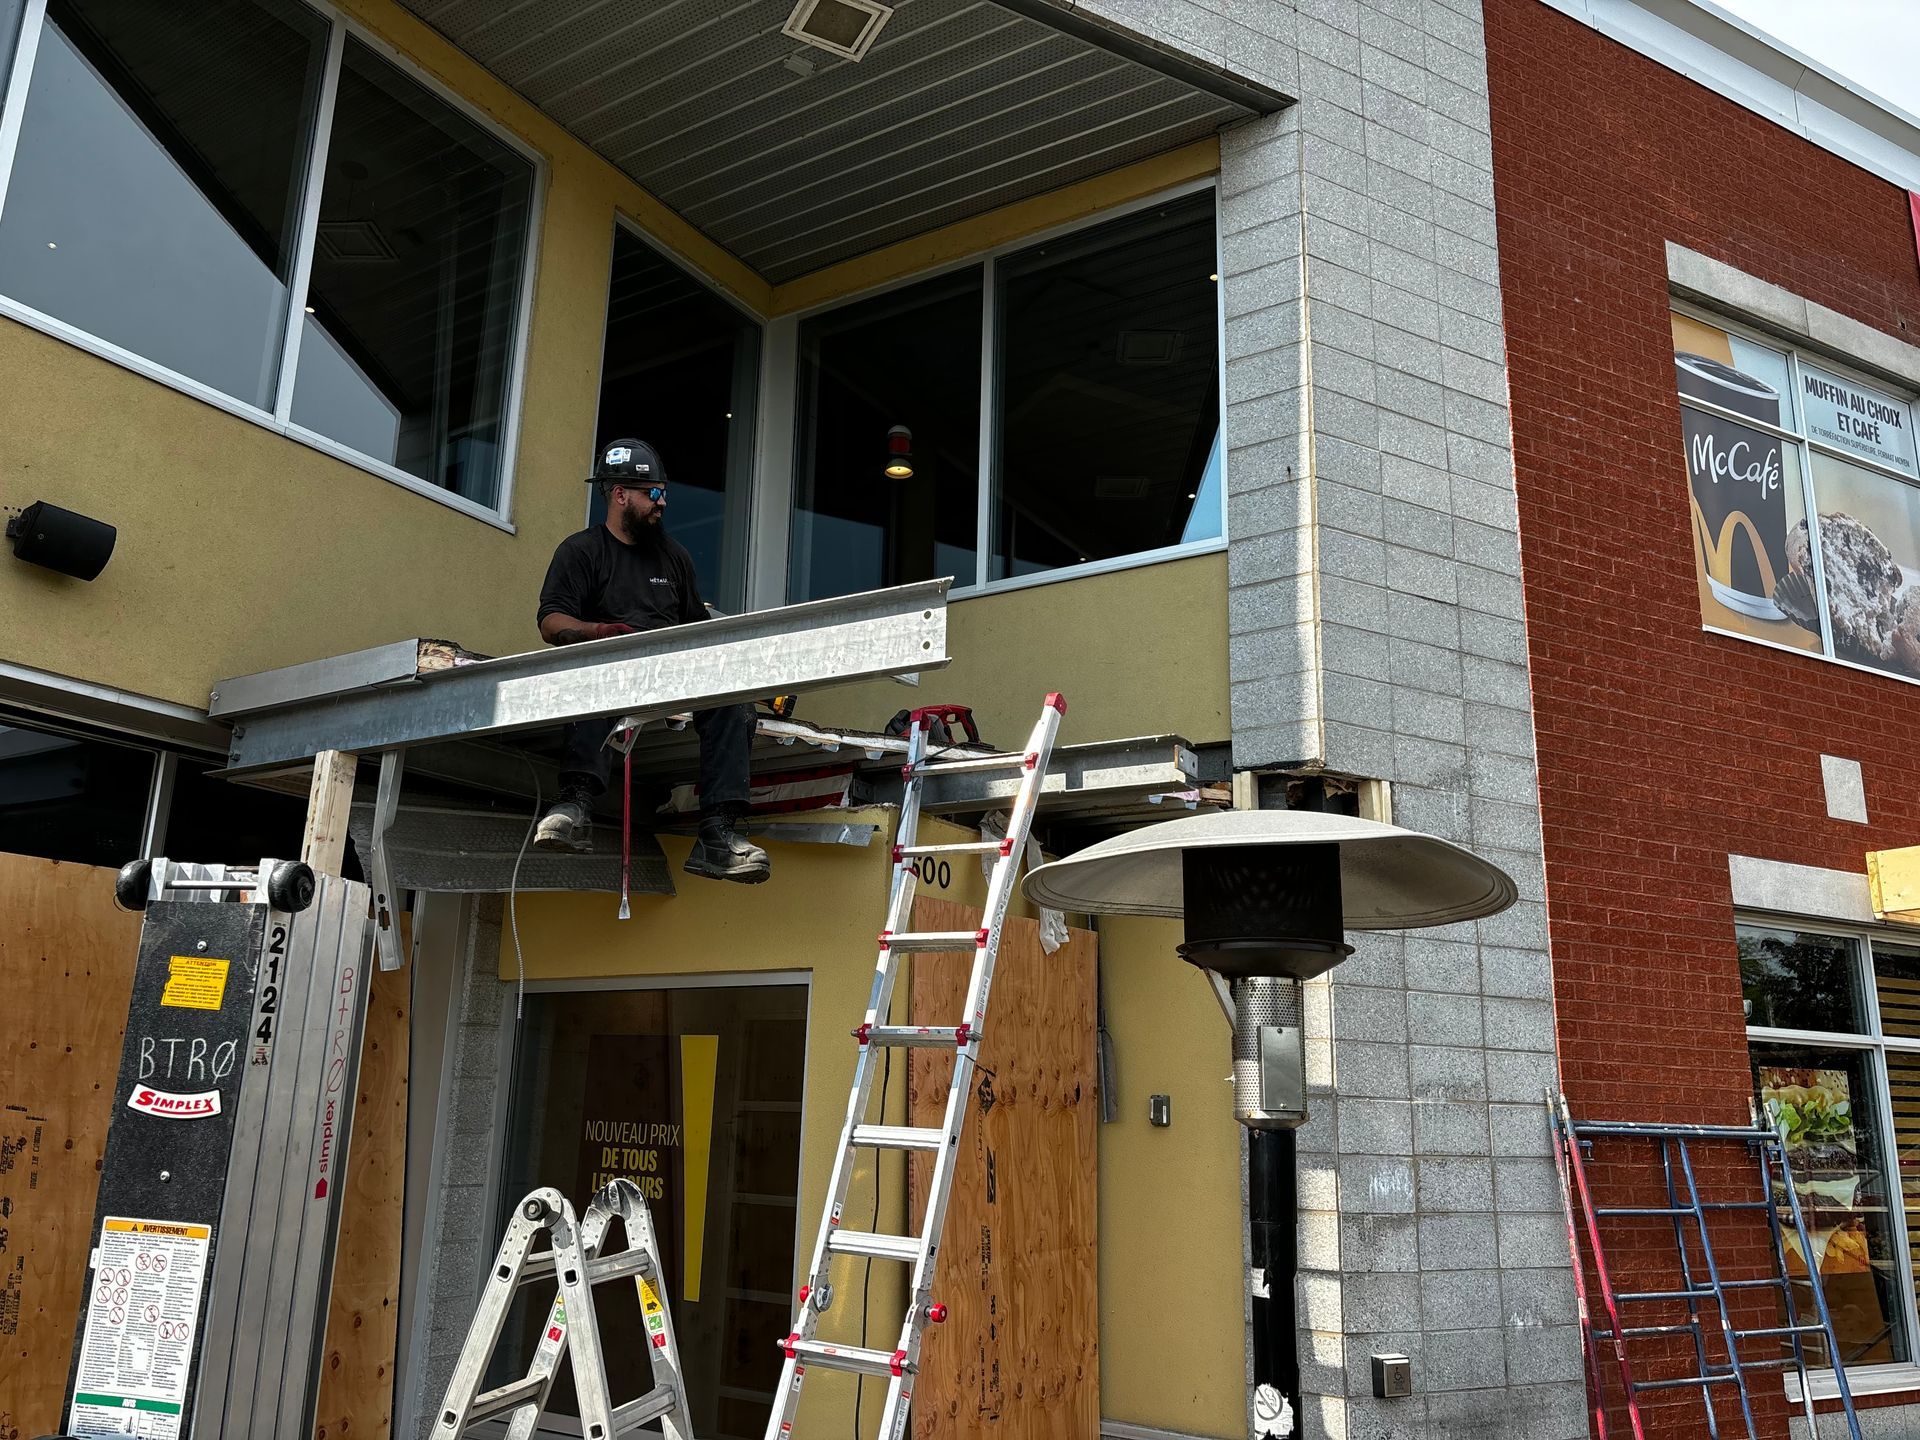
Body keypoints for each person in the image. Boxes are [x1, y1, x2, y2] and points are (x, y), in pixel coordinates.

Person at [533, 438, 770, 884]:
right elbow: (551, 621)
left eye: (664, 492)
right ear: (620, 494)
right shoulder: (582, 551)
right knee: (599, 666)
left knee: (734, 701)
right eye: (652, 493)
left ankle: (718, 836)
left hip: (669, 676)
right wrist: (600, 633)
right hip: (609, 671)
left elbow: (698, 631)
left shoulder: (674, 558)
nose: (662, 502)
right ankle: (574, 805)